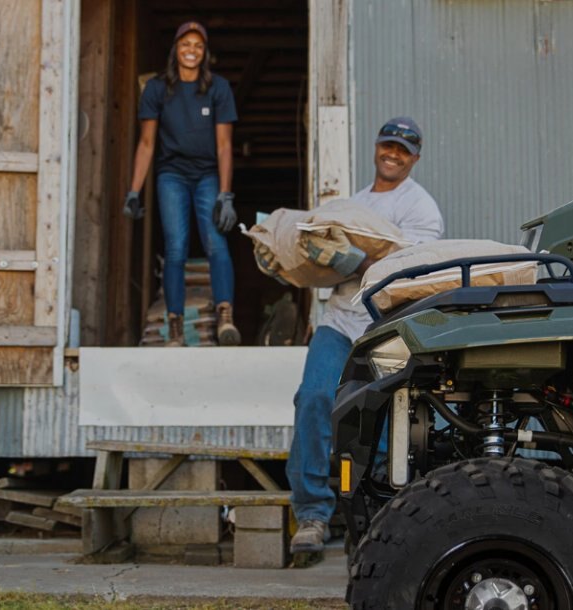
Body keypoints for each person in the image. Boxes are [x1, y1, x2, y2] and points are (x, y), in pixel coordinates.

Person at [262, 117, 444, 554]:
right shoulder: (350, 205)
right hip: (340, 321)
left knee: (381, 416)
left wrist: (355, 259)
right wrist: (286, 262)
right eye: (388, 145)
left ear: (415, 158)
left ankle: (380, 517)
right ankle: (312, 514)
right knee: (313, 399)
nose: (393, 154)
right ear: (376, 147)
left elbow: (409, 271)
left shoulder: (422, 209)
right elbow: (320, 267)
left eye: (403, 150)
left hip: (387, 327)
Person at [125, 21, 241, 347]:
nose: (192, 51)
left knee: (216, 243)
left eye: (198, 46)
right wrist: (134, 191)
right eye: (186, 44)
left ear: (205, 53)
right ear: (175, 49)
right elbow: (146, 143)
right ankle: (175, 326)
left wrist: (225, 194)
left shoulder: (217, 88)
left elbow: (224, 145)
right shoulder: (156, 89)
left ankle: (225, 317)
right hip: (171, 175)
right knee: (175, 247)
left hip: (208, 175)